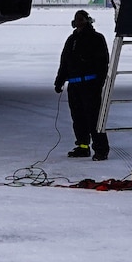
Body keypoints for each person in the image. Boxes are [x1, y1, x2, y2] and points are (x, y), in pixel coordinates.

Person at [53, 9, 110, 161]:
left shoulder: (96, 38)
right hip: (74, 86)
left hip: (90, 85)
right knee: (78, 118)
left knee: (94, 118)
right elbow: (64, 62)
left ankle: (101, 149)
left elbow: (103, 63)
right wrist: (59, 81)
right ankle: (83, 147)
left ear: (87, 20)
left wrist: (99, 82)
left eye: (80, 19)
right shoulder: (71, 40)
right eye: (76, 19)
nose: (78, 21)